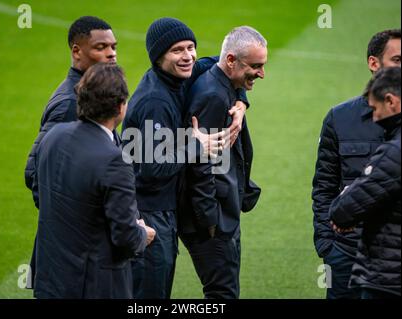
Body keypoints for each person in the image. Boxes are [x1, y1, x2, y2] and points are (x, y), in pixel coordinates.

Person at [122, 17, 249, 299]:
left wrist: (241, 102)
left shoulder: (185, 72)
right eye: (177, 50)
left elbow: (232, 64)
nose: (188, 56)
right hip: (149, 213)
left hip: (166, 208)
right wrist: (196, 146)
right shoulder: (155, 101)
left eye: (191, 47)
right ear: (158, 56)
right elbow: (151, 167)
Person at [33, 63, 156, 299]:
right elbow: (126, 237)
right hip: (93, 287)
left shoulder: (53, 137)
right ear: (121, 107)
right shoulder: (114, 161)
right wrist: (144, 234)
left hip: (50, 279)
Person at [24, 16, 118, 288]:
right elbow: (36, 174)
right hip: (73, 260)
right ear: (77, 51)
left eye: (113, 46)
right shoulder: (70, 104)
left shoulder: (91, 96)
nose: (111, 53)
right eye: (101, 47)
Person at [312, 29, 401, 299]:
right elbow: (324, 185)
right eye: (397, 60)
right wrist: (327, 244)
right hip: (346, 254)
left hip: (391, 262)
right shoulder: (340, 118)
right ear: (374, 63)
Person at [178, 26, 265, 299]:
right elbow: (200, 163)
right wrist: (210, 220)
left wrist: (242, 102)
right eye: (256, 66)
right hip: (211, 223)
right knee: (222, 293)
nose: (262, 73)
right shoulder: (212, 96)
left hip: (220, 214)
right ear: (230, 61)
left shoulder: (219, 80)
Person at [329, 66, 401, 299]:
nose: (374, 118)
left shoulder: (394, 152)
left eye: (374, 109)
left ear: (390, 101)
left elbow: (344, 210)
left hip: (388, 277)